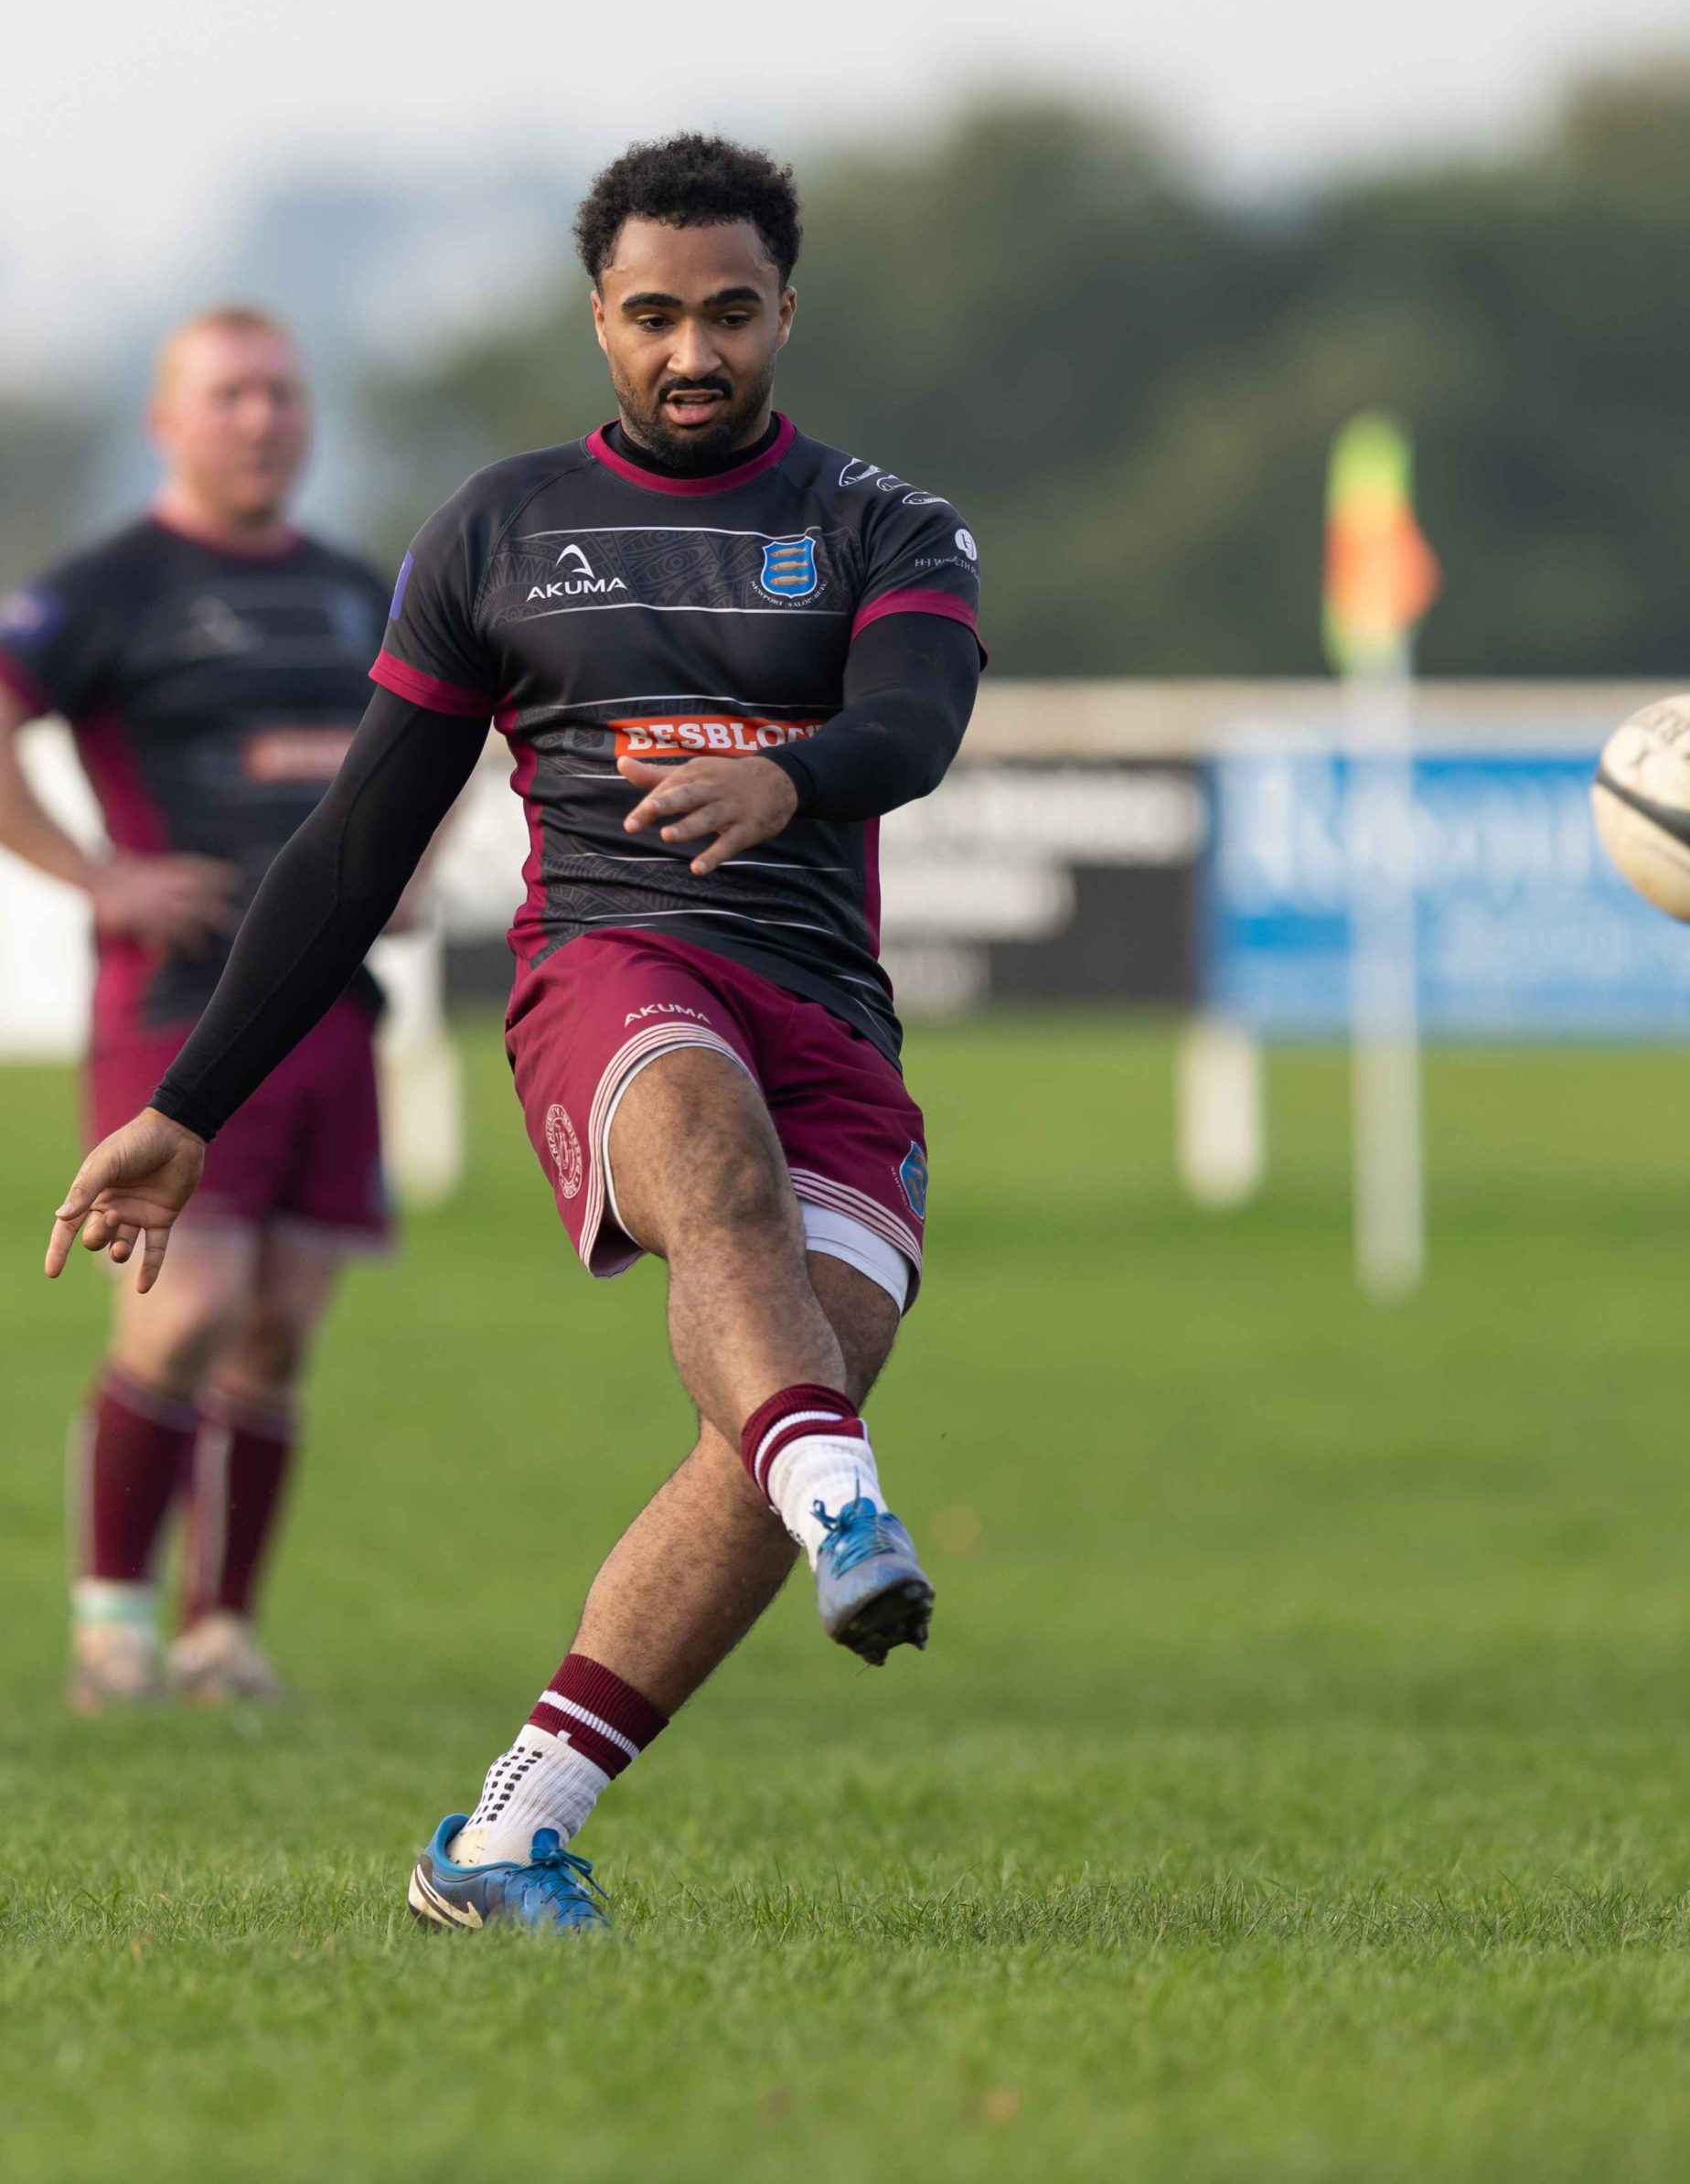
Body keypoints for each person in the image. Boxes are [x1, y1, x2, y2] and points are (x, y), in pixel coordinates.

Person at [44, 135, 983, 1932]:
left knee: (775, 1408)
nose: (692, 351)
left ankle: (505, 1833)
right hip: (613, 973)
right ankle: (850, 1506)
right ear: (599, 318)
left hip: (830, 1016)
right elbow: (354, 847)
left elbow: (915, 722)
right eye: (655, 315)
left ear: (786, 312)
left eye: (729, 313)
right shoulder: (496, 530)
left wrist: (789, 778)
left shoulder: (890, 522)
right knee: (714, 1168)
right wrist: (189, 1104)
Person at [1, 307, 393, 1711]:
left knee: (279, 1325)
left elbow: (447, 734)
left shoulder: (357, 589)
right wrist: (96, 873)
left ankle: (220, 1633)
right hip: (176, 1001)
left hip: (332, 1006)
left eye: (283, 393)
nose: (262, 419)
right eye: (229, 395)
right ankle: (111, 1629)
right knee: (186, 1308)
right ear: (165, 421)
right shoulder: (111, 585)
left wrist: (404, 868)